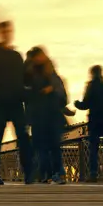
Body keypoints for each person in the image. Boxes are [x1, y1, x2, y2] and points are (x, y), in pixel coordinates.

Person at [0, 20, 34, 185]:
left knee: (23, 138)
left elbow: (24, 79)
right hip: (0, 102)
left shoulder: (16, 56)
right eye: (4, 31)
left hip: (16, 102)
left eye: (9, 31)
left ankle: (29, 174)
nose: (7, 34)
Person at [24, 46, 68, 184]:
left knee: (48, 146)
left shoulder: (49, 73)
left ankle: (52, 174)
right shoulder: (33, 75)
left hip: (47, 115)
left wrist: (52, 90)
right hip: (44, 115)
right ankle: (50, 174)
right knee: (47, 146)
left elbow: (61, 94)